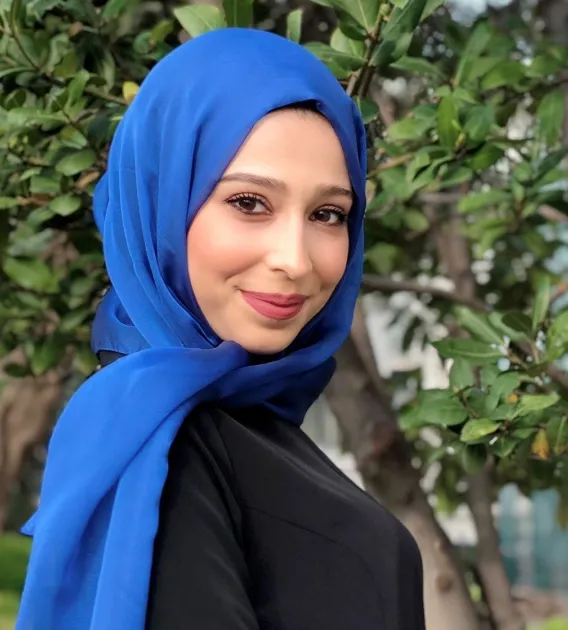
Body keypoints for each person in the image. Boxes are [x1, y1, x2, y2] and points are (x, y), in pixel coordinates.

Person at [16, 28, 425, 630]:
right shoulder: (161, 440)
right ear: (163, 204)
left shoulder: (238, 418)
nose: (296, 259)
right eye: (249, 203)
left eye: (327, 214)